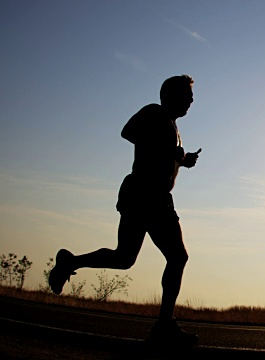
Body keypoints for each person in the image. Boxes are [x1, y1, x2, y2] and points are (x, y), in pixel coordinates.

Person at [48, 75, 201, 346]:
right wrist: (173, 153)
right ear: (172, 95)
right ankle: (163, 326)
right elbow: (128, 132)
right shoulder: (154, 112)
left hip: (156, 198)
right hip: (144, 195)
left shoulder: (172, 125)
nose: (191, 101)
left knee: (125, 258)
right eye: (187, 95)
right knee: (175, 257)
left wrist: (183, 160)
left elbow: (163, 157)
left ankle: (69, 262)